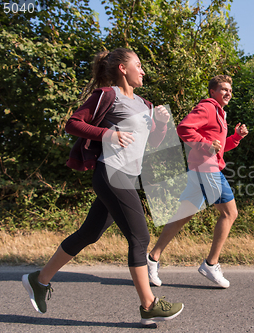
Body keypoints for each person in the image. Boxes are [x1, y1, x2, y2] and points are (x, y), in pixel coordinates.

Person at [22, 48, 183, 325]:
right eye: (138, 65)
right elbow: (73, 124)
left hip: (127, 176)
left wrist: (160, 125)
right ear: (122, 68)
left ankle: (39, 279)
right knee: (140, 238)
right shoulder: (108, 95)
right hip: (111, 173)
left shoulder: (145, 104)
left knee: (89, 233)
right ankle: (149, 305)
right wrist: (108, 133)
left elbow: (150, 146)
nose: (143, 70)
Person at [147, 75, 248, 289]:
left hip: (202, 167)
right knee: (230, 213)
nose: (228, 93)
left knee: (184, 214)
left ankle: (152, 258)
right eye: (223, 89)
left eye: (230, 89)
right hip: (206, 168)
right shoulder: (208, 107)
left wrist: (236, 137)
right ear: (212, 92)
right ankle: (211, 264)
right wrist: (204, 145)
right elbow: (184, 129)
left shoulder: (220, 113)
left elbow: (218, 147)